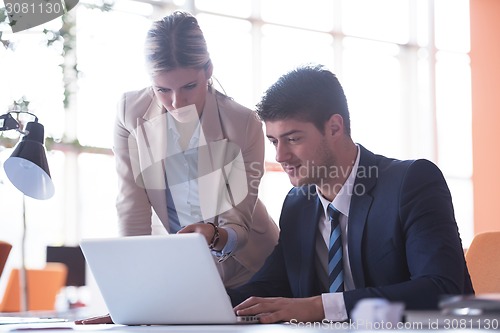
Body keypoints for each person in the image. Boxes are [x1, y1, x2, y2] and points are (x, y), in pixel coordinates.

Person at [227, 64, 474, 324]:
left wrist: (321, 307)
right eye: (275, 141)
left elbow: (441, 290)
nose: (280, 156)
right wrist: (204, 301)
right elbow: (269, 286)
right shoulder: (298, 203)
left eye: (294, 139)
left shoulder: (411, 182)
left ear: (334, 127)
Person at [75, 11, 278, 324]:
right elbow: (132, 209)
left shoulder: (242, 123)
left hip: (251, 269)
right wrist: (130, 299)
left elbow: (238, 222)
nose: (176, 102)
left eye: (188, 86)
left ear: (208, 70)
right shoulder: (130, 113)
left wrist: (212, 235)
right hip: (185, 277)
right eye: (162, 90)